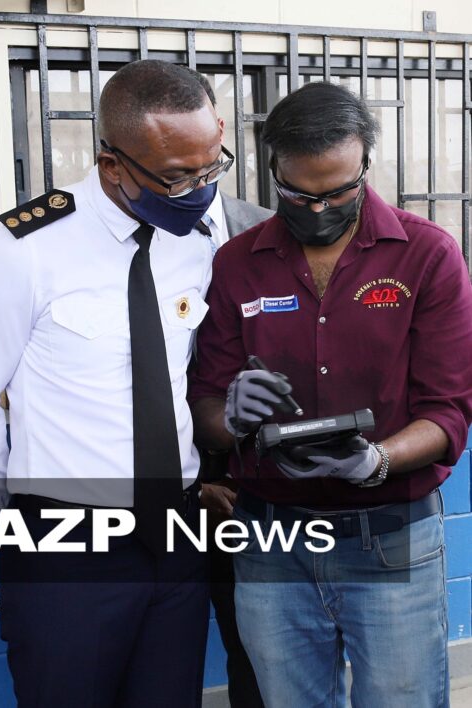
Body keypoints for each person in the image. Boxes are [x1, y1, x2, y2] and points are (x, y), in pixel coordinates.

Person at [0, 60, 229, 706]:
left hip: (178, 539)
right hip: (66, 545)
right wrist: (22, 516)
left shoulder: (200, 239)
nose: (199, 190)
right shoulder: (22, 250)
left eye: (211, 167)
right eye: (178, 177)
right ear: (113, 165)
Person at [190, 81, 472, 708]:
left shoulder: (426, 255)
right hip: (270, 540)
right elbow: (206, 404)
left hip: (391, 536)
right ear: (273, 174)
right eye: (298, 194)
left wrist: (377, 461)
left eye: (339, 191)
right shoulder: (237, 264)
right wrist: (231, 417)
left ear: (365, 163)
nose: (319, 210)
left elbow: (448, 410)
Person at [184, 71, 270, 708]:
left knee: (264, 650)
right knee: (165, 645)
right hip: (168, 482)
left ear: (221, 131)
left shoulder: (270, 229)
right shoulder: (123, 244)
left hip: (262, 476)